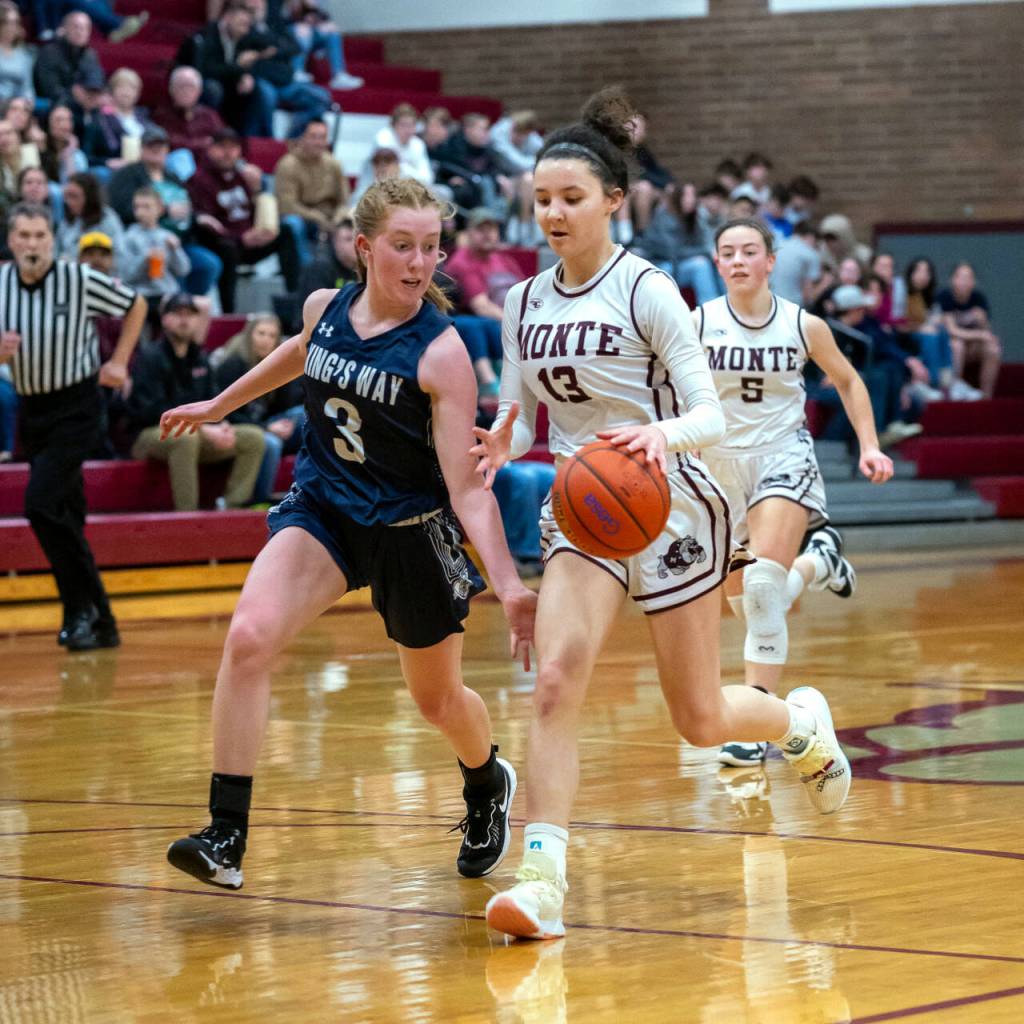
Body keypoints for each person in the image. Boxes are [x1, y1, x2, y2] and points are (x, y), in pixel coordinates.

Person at [473, 88, 853, 942]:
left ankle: (797, 723)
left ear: (613, 201)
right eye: (541, 200)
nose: (553, 214)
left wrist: (655, 434)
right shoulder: (522, 303)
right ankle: (541, 882)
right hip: (585, 511)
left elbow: (711, 417)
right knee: (558, 681)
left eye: (571, 198)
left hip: (672, 505)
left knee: (699, 718)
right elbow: (518, 406)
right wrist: (499, 439)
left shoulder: (648, 290)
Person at [160, 176, 537, 892]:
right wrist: (220, 401)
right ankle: (226, 836)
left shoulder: (442, 353)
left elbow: (465, 486)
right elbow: (303, 352)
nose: (420, 262)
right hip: (326, 512)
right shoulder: (325, 308)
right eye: (403, 246)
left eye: (430, 247)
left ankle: (487, 781)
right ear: (365, 248)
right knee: (247, 639)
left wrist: (512, 584)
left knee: (437, 701)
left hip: (409, 530)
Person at [696, 219, 893, 767]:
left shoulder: (803, 325)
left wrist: (869, 445)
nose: (738, 260)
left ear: (769, 261)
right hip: (718, 467)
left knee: (761, 589)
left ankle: (758, 720)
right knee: (744, 601)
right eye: (727, 253)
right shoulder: (697, 323)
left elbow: (850, 381)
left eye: (749, 251)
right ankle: (820, 563)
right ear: (717, 264)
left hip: (784, 458)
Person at [0, 202, 147, 650]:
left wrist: (119, 361)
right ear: (11, 241)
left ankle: (81, 610)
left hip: (78, 407)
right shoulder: (1, 284)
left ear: (52, 238)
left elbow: (136, 303)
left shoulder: (76, 279)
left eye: (39, 235)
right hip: (33, 410)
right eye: (23, 236)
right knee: (66, 516)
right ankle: (98, 618)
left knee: (41, 507)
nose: (31, 244)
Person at [128, 292, 266, 510]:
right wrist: (202, 429)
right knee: (185, 438)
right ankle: (187, 515)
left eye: (190, 315)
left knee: (254, 437)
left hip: (195, 431)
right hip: (149, 434)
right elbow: (149, 411)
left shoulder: (201, 357)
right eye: (178, 314)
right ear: (164, 319)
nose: (185, 320)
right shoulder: (150, 356)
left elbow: (214, 400)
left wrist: (222, 426)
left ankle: (230, 507)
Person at [210, 312, 304, 503]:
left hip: (264, 423)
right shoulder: (233, 364)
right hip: (235, 425)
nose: (266, 340)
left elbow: (282, 408)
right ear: (249, 335)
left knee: (305, 415)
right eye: (261, 333)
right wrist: (266, 428)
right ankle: (261, 499)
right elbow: (226, 412)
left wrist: (282, 424)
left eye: (272, 336)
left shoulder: (277, 365)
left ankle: (309, 490)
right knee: (271, 442)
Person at [936, 262, 1002, 399]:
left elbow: (987, 332)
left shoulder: (978, 298)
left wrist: (982, 321)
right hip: (950, 347)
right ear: (952, 280)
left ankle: (986, 396)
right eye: (961, 277)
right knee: (957, 345)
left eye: (968, 278)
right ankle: (954, 390)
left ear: (974, 282)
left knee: (993, 348)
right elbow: (951, 330)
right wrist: (980, 334)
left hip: (973, 347)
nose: (964, 282)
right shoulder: (945, 296)